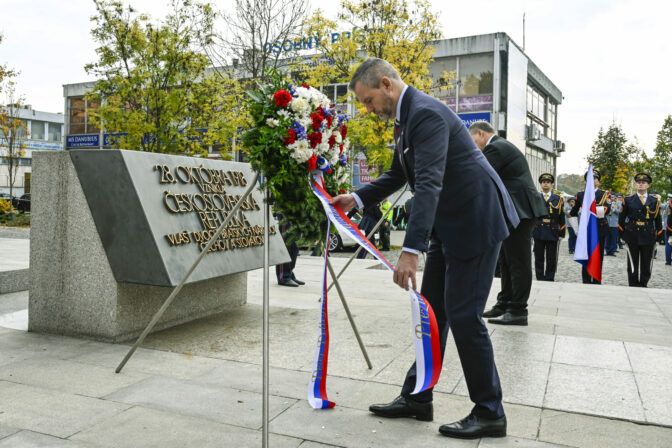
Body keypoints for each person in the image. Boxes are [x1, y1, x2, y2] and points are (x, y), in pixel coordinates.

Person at [330, 57, 519, 440]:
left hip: (476, 221)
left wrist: (411, 250)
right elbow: (401, 172)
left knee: (465, 316)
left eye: (367, 101)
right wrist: (357, 197)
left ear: (386, 84)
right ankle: (418, 396)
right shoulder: (406, 118)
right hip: (451, 223)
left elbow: (429, 182)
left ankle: (489, 411)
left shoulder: (426, 114)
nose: (368, 110)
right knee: (432, 312)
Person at [469, 121, 547, 326]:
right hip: (514, 211)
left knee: (518, 260)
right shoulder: (501, 146)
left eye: (473, 140)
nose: (473, 146)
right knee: (505, 259)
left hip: (521, 210)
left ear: (481, 133)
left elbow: (478, 175)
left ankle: (518, 310)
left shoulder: (495, 147)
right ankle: (504, 303)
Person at [618, 173, 663, 287]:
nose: (640, 185)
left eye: (643, 183)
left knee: (646, 262)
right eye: (638, 183)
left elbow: (658, 219)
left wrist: (659, 236)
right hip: (631, 233)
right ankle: (633, 284)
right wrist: (621, 235)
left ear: (648, 185)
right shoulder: (628, 199)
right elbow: (621, 218)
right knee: (632, 262)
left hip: (648, 233)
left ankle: (643, 284)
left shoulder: (655, 201)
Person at [569, 169, 611, 284]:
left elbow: (606, 210)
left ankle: (597, 279)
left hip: (599, 228)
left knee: (598, 255)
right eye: (590, 178)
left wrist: (589, 211)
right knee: (585, 255)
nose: (592, 180)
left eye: (595, 178)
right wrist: (577, 230)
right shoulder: (580, 195)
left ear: (598, 181)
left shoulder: (604, 194)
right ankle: (586, 280)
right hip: (585, 230)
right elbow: (572, 213)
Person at [532, 173, 566, 281]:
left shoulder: (558, 198)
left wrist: (562, 232)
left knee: (551, 257)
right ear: (540, 185)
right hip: (539, 229)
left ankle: (550, 277)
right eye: (543, 182)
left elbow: (562, 217)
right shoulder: (536, 197)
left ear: (551, 185)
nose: (546, 184)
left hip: (553, 229)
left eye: (548, 182)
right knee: (539, 256)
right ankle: (540, 276)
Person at [275, 218, 304, 287]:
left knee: (294, 248)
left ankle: (289, 274)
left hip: (296, 213)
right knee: (285, 246)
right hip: (285, 213)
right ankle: (283, 276)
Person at [665, 194, 672, 266]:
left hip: (669, 228)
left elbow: (668, 218)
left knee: (668, 245)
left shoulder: (669, 206)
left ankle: (668, 261)